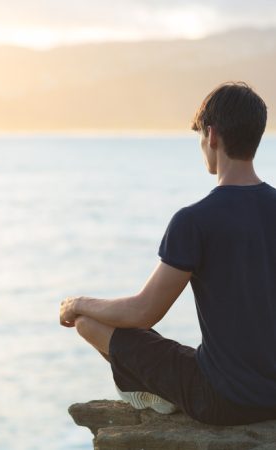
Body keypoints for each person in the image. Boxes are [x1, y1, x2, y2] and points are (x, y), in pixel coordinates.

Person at [59, 81, 276, 426]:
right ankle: (156, 390)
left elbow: (142, 312)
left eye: (201, 139)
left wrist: (79, 303)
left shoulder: (195, 220)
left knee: (88, 324)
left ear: (213, 135)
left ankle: (152, 391)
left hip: (222, 400)